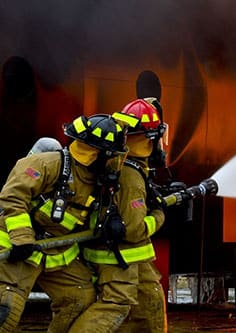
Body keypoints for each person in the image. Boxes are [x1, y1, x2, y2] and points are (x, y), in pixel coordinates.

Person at [0, 113, 134, 333]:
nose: (117, 164)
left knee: (79, 299)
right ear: (98, 154)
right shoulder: (47, 164)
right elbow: (12, 197)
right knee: (4, 308)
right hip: (16, 249)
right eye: (114, 157)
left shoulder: (98, 182)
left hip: (56, 252)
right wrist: (22, 238)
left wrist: (111, 218)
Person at [69, 98, 168, 333]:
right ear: (151, 139)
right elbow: (134, 230)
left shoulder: (122, 165)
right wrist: (159, 214)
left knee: (148, 305)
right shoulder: (131, 177)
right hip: (119, 257)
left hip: (128, 259)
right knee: (116, 306)